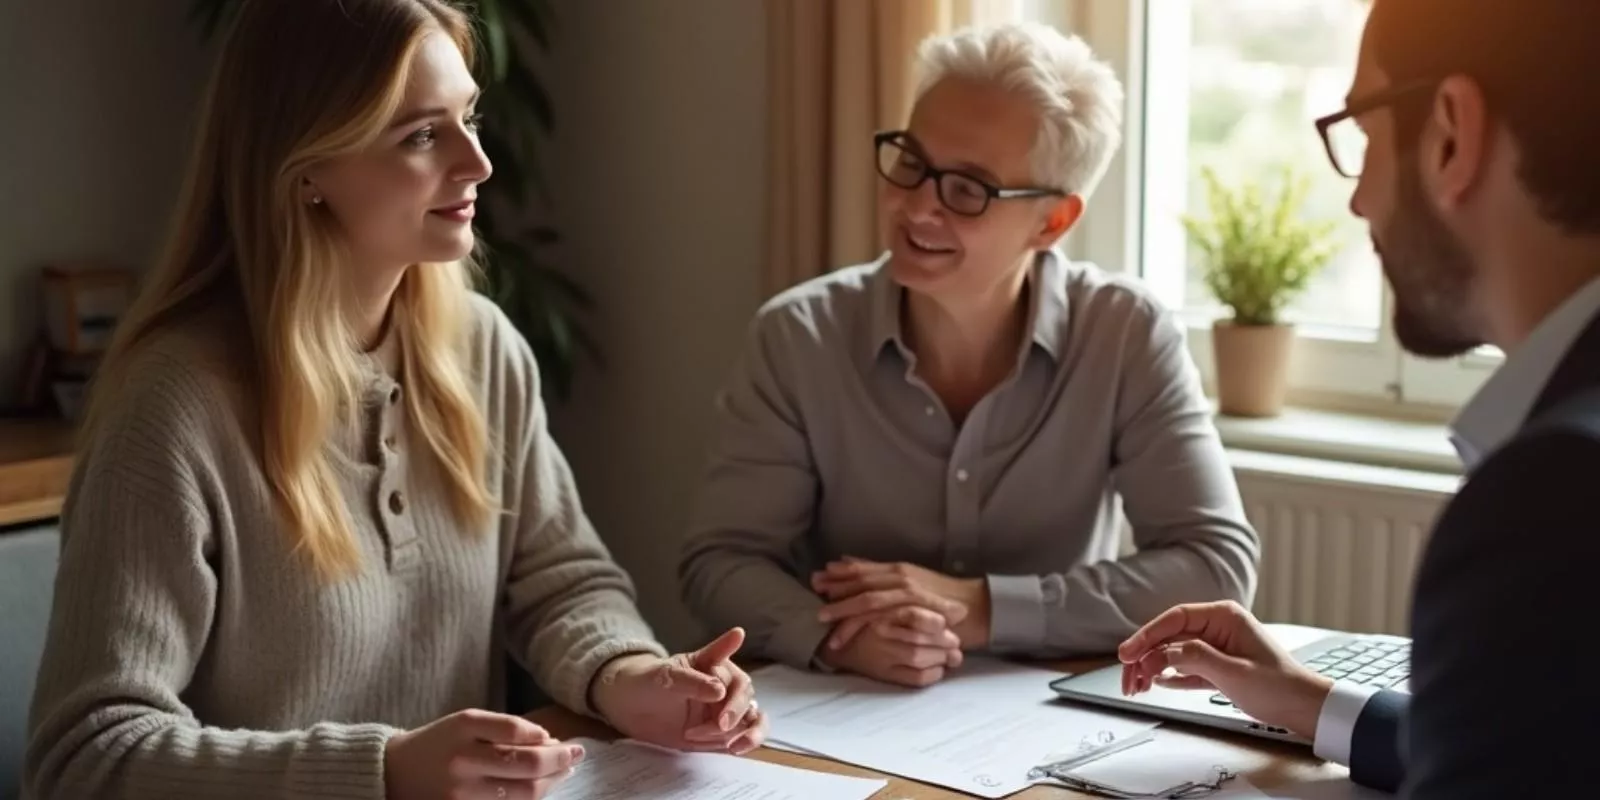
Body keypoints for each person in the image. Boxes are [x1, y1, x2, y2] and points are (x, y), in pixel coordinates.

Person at [22, 1, 766, 798]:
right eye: (420, 135)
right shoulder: (173, 408)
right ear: (306, 167)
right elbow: (83, 757)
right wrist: (382, 771)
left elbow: (562, 584)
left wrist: (629, 674)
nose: (478, 163)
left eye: (469, 118)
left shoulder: (484, 350)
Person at [679, 21, 1260, 688]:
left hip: (1050, 718)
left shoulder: (1126, 333)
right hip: (847, 707)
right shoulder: (798, 337)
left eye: (968, 188)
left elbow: (1216, 568)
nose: (917, 206)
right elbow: (720, 564)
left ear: (1052, 221)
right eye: (911, 163)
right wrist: (836, 636)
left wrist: (978, 608)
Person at [1117, 1, 1600, 797]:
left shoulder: (1552, 498)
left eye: (1365, 136)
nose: (1359, 200)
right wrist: (1309, 702)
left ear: (1450, 137)